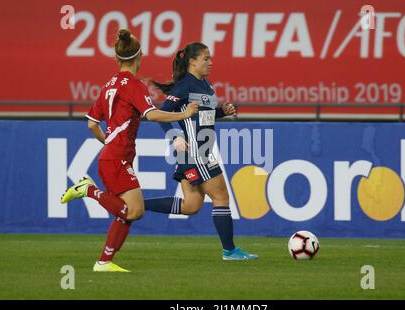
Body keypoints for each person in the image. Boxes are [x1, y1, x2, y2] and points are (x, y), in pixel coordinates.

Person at [60, 29, 198, 272]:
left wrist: (107, 142)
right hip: (117, 158)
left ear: (117, 57)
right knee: (135, 210)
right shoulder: (133, 85)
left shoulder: (108, 85)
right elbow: (152, 114)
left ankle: (104, 262)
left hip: (113, 156)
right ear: (140, 56)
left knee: (126, 213)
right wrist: (184, 114)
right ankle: (88, 190)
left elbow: (92, 123)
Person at [144, 42, 258, 260]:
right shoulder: (184, 86)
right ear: (192, 62)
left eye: (210, 58)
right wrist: (174, 137)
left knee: (191, 205)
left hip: (199, 150)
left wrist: (222, 112)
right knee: (221, 196)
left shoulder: (205, 85)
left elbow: (203, 117)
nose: (210, 62)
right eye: (206, 58)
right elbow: (159, 115)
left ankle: (136, 205)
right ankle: (230, 251)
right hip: (196, 152)